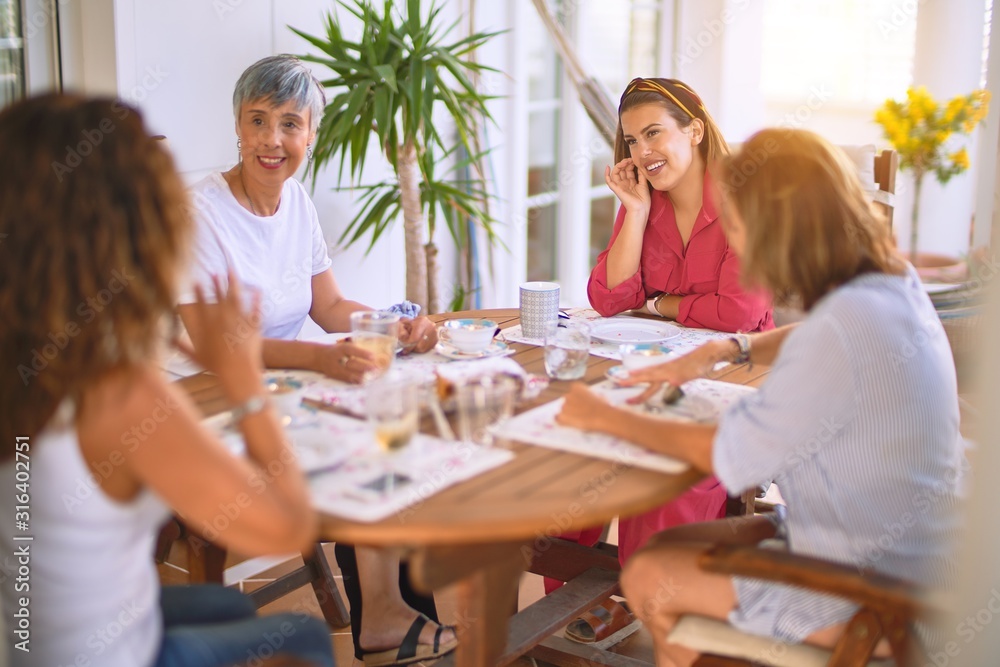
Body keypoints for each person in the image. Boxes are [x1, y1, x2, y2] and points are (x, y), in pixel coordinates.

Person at [558, 128, 964, 665]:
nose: (732, 236)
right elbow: (822, 335)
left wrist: (603, 415)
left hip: (875, 597)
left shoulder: (835, 332)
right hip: (928, 562)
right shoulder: (890, 283)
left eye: (737, 221)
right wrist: (726, 350)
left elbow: (725, 453)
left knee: (648, 574)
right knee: (669, 546)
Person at [0, 94, 335, 666]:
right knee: (301, 636)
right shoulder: (118, 395)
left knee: (225, 609)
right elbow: (290, 525)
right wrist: (241, 380)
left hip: (28, 644)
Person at [175, 55, 454, 667]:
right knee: (364, 438)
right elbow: (209, 345)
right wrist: (320, 361)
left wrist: (392, 325)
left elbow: (327, 304)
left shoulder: (296, 202)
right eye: (258, 121)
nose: (273, 139)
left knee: (393, 423)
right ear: (238, 128)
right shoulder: (198, 213)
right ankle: (383, 621)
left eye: (289, 123)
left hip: (273, 384)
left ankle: (391, 619)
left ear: (311, 134)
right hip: (202, 400)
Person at [550, 77, 774, 645]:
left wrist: (662, 303)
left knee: (662, 476)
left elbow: (741, 312)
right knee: (575, 458)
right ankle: (580, 605)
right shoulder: (645, 198)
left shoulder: (745, 198)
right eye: (630, 140)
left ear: (694, 130)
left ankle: (667, 615)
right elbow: (607, 298)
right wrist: (635, 211)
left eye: (654, 133)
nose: (642, 152)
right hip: (653, 368)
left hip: (737, 377)